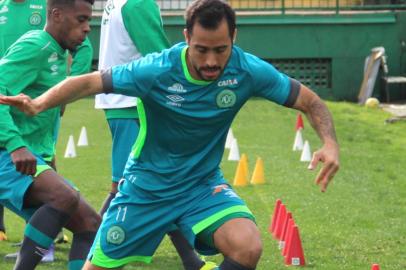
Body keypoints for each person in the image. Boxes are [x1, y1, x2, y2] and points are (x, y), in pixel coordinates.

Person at [0, 0, 340, 269]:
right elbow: (90, 81)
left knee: (248, 245)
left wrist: (329, 143)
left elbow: (310, 101)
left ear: (234, 38)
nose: (211, 61)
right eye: (202, 49)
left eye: (220, 50)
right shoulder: (158, 69)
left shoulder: (247, 69)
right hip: (146, 188)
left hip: (201, 186)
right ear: (187, 37)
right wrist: (39, 104)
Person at [95, 0, 215, 269]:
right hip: (133, 105)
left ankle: (88, 236)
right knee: (142, 185)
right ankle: (88, 238)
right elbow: (161, 56)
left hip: (121, 103)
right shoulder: (139, 3)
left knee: (139, 183)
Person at [0, 0, 101, 269]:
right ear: (56, 15)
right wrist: (15, 144)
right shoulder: (36, 46)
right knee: (64, 197)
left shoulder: (56, 51)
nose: (87, 28)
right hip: (6, 155)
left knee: (91, 225)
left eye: (88, 21)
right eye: (80, 20)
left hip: (29, 155)